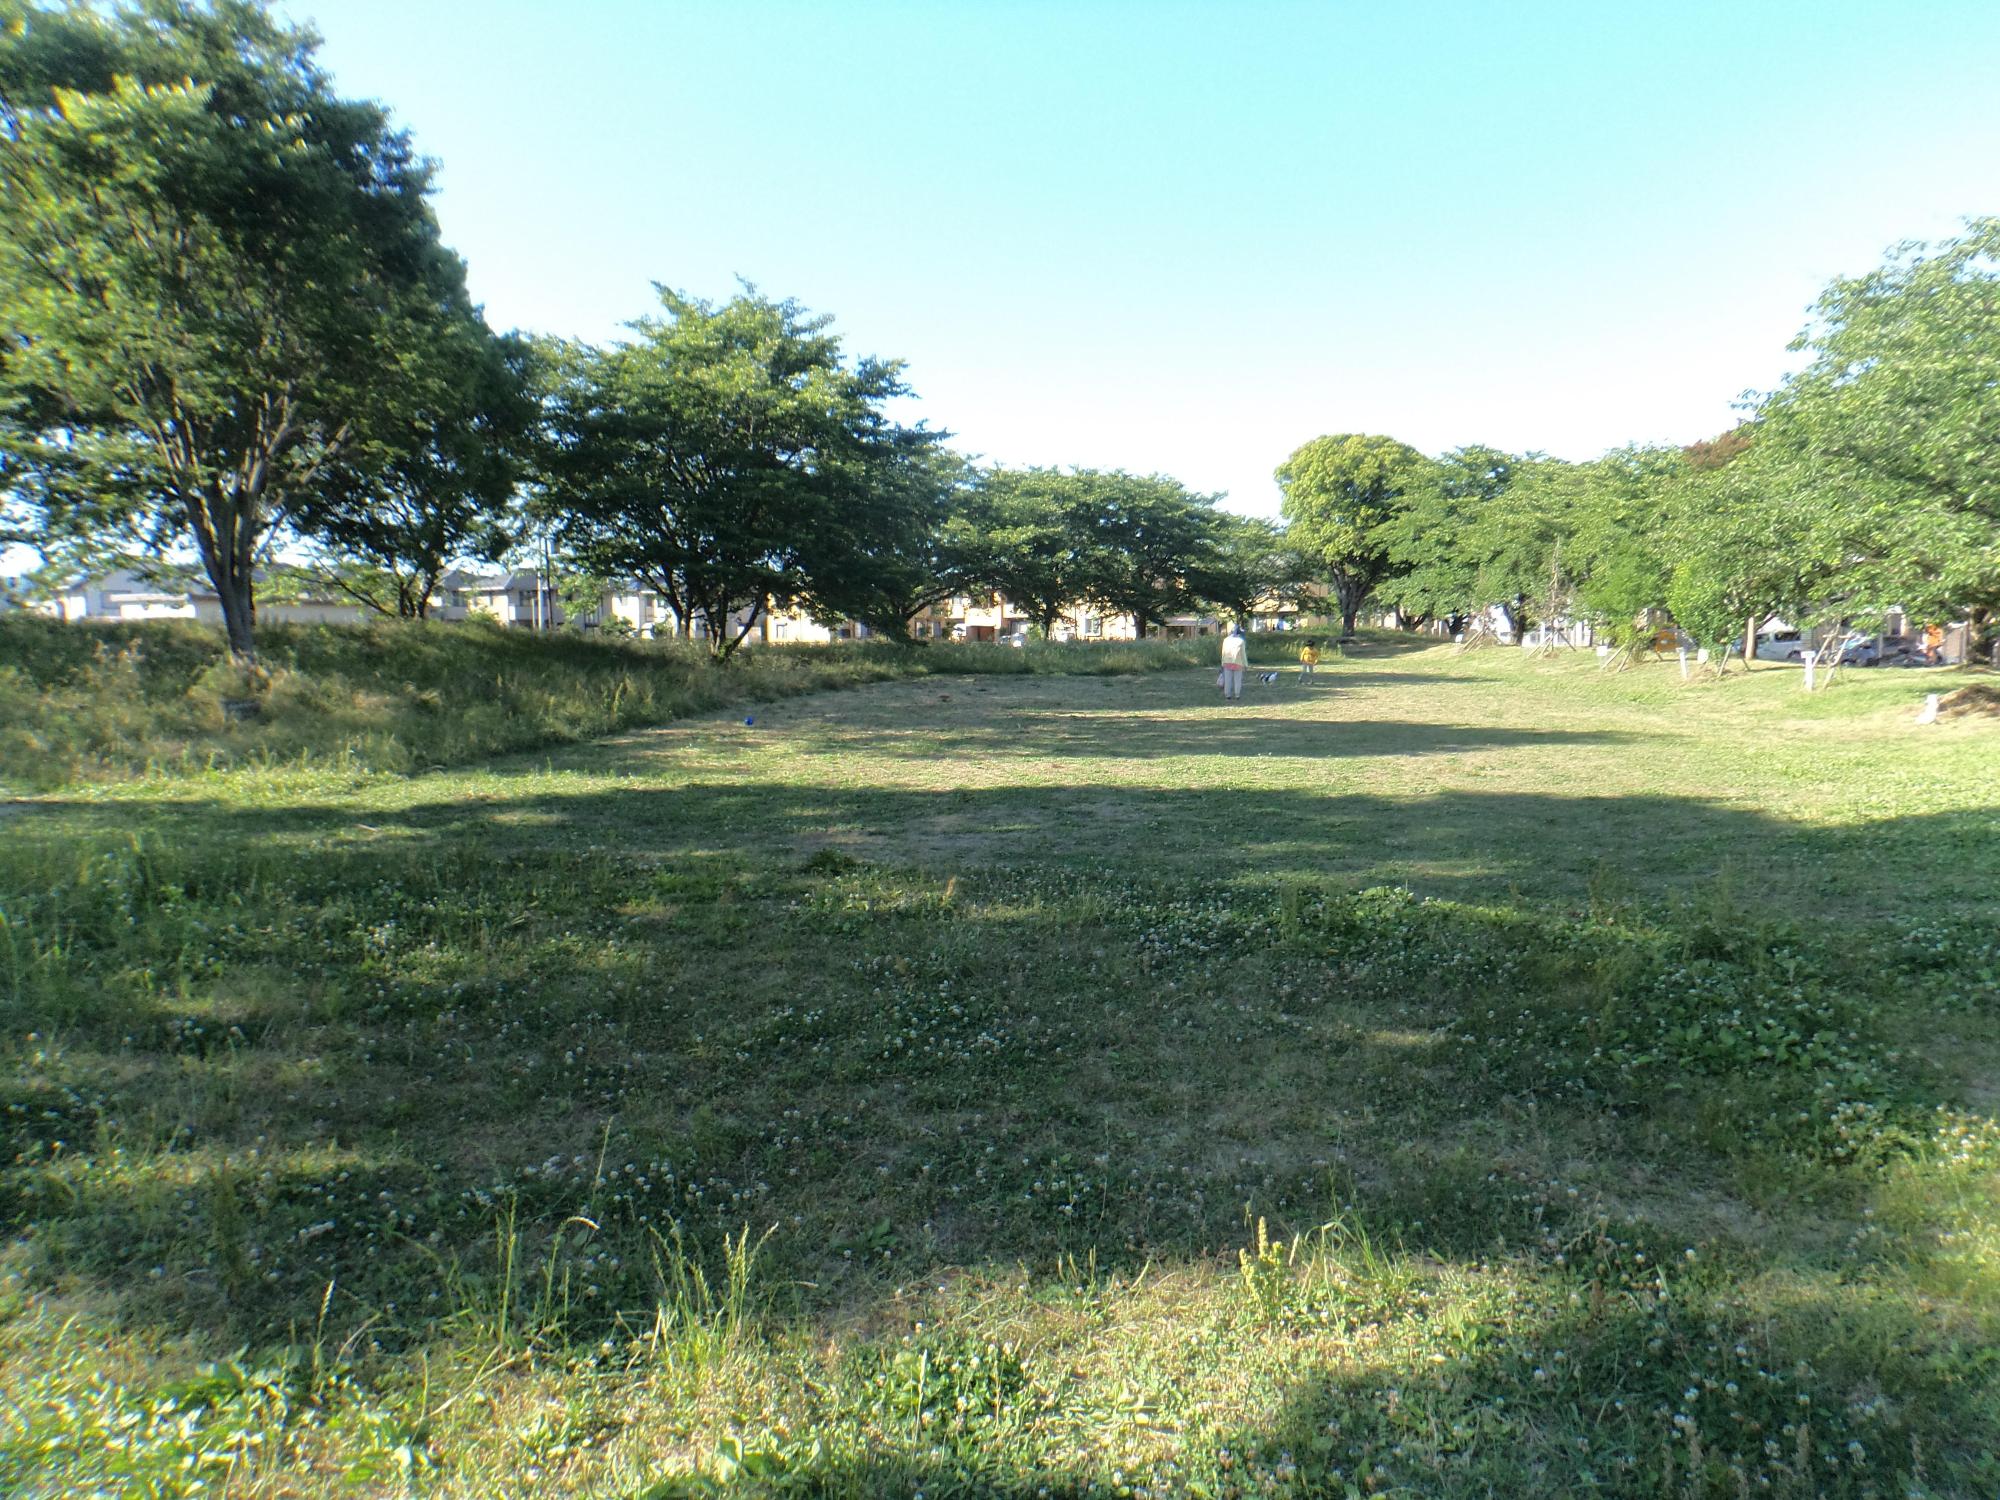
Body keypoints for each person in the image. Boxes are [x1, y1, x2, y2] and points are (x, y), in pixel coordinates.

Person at [1219, 623, 1247, 700]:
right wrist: (1245, 665)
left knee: (1228, 679)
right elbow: (1243, 654)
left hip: (1227, 662)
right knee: (1237, 680)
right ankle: (1237, 695)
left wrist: (1222, 663)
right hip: (1238, 663)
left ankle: (1227, 695)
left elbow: (1223, 652)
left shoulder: (1226, 640)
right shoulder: (1241, 641)